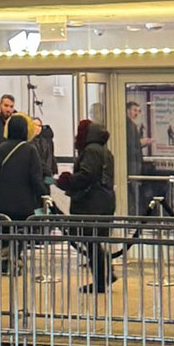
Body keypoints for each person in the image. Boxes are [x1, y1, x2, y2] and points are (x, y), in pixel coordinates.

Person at [56, 120, 116, 294]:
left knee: (91, 243)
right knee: (95, 242)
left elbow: (86, 175)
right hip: (104, 200)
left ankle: (100, 281)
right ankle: (106, 273)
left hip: (92, 204)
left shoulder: (91, 151)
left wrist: (67, 180)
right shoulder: (104, 150)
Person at [0, 113, 46, 271]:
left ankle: (4, 261)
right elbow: (35, 178)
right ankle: (16, 258)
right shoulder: (30, 150)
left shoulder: (1, 149)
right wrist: (43, 195)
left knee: (4, 230)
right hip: (24, 201)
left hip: (3, 200)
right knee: (20, 232)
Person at [126, 101, 152, 215]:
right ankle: (133, 217)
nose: (136, 113)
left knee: (134, 190)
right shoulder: (129, 126)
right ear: (128, 110)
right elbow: (131, 146)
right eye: (134, 110)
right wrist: (141, 143)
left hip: (134, 163)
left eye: (138, 111)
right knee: (133, 190)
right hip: (132, 163)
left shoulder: (131, 125)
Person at [31, 117, 58, 190]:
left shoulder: (45, 141)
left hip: (46, 176)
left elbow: (50, 156)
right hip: (34, 178)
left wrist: (53, 171)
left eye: (40, 126)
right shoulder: (27, 143)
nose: (38, 128)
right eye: (35, 125)